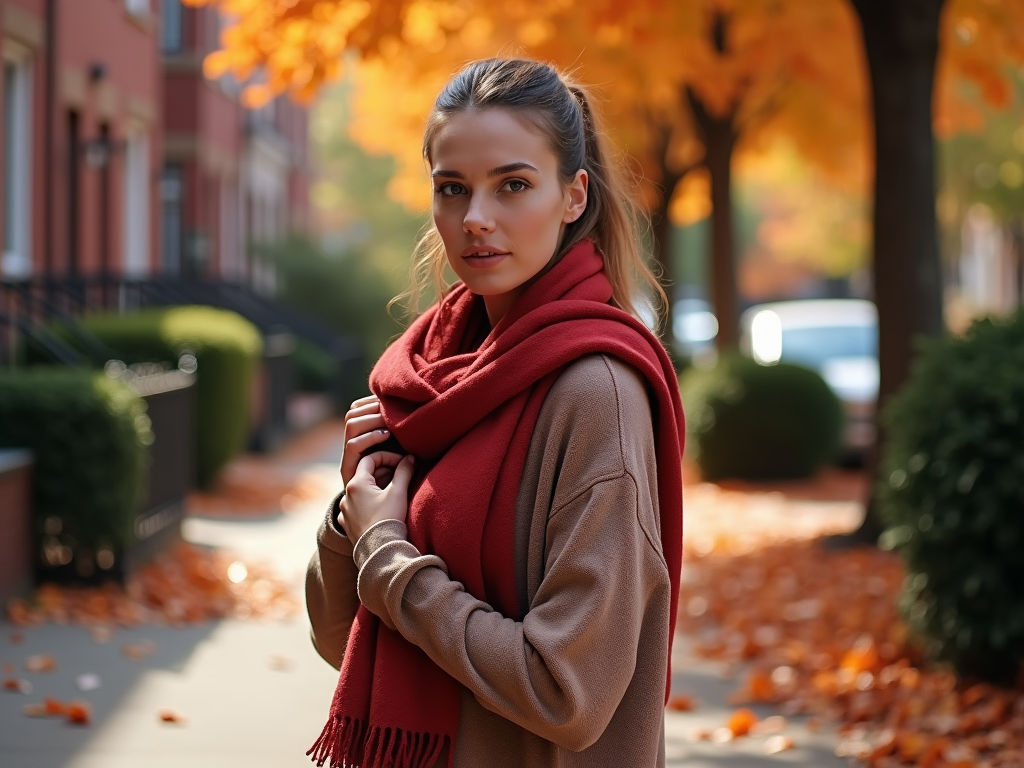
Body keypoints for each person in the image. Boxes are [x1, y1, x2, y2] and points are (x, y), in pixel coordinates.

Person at [305, 57, 684, 768]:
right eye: (453, 189)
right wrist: (354, 517)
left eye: (513, 185)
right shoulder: (432, 384)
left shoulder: (594, 391)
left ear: (573, 196)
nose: (476, 219)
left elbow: (565, 693)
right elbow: (342, 642)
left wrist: (387, 552)